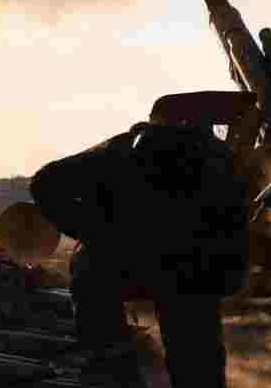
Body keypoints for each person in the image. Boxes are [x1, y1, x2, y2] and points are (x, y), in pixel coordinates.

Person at [30, 92, 253, 388]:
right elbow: (233, 223)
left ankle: (115, 368)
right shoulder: (216, 159)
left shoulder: (119, 149)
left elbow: (44, 182)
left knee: (110, 353)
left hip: (114, 269)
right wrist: (230, 278)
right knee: (197, 366)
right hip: (187, 272)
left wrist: (90, 231)